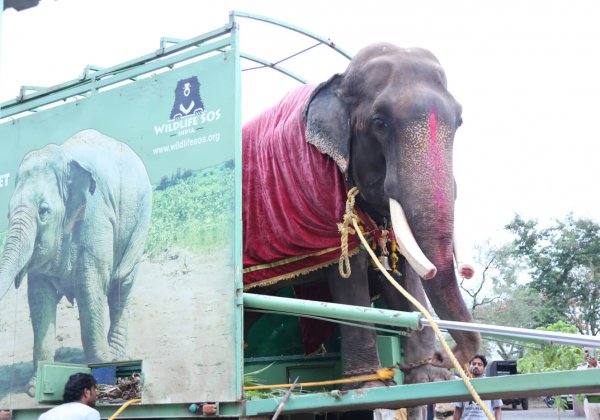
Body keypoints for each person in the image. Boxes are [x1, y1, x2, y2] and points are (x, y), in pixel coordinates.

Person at [453, 355, 502, 419]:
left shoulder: (490, 384)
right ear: (469, 366)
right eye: (473, 364)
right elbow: (458, 409)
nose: (476, 366)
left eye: (479, 364)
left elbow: (497, 408)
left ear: (484, 368)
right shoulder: (462, 383)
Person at [579, 347, 600, 419]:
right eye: (586, 351)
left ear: (596, 354)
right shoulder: (580, 368)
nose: (588, 354)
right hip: (589, 401)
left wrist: (596, 366)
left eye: (590, 351)